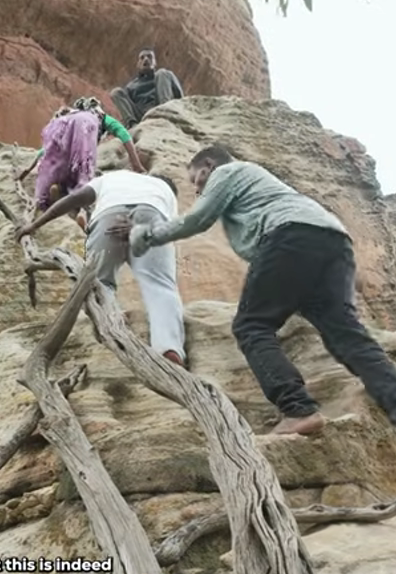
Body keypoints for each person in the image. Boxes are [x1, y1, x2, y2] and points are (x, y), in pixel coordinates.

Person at [124, 145, 396, 435]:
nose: (197, 187)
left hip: (289, 236)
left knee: (251, 326)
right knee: (347, 335)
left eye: (197, 179)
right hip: (334, 242)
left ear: (208, 164)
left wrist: (148, 235)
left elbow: (197, 220)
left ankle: (297, 409)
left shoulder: (229, 171)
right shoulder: (266, 186)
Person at [15, 170, 187, 367]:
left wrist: (35, 225)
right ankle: (169, 348)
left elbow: (75, 198)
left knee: (99, 282)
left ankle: (111, 328)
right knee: (160, 286)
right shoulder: (166, 191)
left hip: (108, 215)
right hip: (152, 214)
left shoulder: (114, 176)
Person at [18, 97, 146, 215]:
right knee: (85, 178)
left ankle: (56, 192)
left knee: (61, 170)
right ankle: (82, 211)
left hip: (60, 135)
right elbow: (123, 134)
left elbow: (46, 150)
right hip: (83, 136)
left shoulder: (69, 116)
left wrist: (28, 170)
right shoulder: (99, 116)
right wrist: (137, 165)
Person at [110, 48, 184, 129]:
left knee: (162, 72)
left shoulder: (164, 76)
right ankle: (131, 125)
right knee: (116, 92)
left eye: (149, 57)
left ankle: (166, 111)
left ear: (155, 62)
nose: (146, 59)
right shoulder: (131, 86)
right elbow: (126, 106)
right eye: (142, 58)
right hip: (141, 116)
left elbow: (180, 95)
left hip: (160, 108)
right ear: (138, 64)